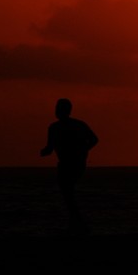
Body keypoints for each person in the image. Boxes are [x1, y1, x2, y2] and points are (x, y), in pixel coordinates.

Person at [40, 98, 98, 235]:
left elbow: (94, 140)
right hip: (68, 164)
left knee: (68, 193)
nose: (57, 111)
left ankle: (78, 223)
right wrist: (44, 152)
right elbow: (50, 148)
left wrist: (84, 149)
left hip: (74, 164)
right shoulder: (55, 127)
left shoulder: (72, 126)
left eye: (59, 108)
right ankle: (76, 224)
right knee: (68, 194)